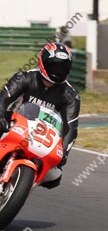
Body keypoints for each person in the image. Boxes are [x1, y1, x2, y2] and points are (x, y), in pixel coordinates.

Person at [0, 43, 80, 188]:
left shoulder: (71, 96)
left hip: (42, 140)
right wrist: (1, 115)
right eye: (55, 66)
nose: (58, 71)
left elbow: (71, 128)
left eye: (62, 67)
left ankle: (19, 185)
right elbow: (3, 98)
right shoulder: (23, 77)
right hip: (11, 126)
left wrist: (64, 153)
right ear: (44, 63)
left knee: (55, 177)